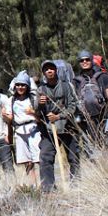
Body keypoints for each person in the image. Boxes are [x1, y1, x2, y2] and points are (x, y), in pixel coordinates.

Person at [36, 61, 80, 192]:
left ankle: (76, 187)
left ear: (56, 70)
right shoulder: (40, 90)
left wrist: (59, 116)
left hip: (68, 127)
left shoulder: (67, 86)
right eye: (46, 69)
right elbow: (37, 112)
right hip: (49, 130)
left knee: (74, 157)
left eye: (51, 69)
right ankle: (48, 189)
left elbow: (73, 106)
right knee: (45, 157)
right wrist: (39, 104)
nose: (49, 71)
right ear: (43, 73)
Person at [72, 49, 108, 147]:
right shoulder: (76, 81)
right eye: (82, 60)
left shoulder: (102, 77)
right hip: (86, 121)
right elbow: (75, 100)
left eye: (87, 59)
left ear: (91, 60)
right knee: (92, 148)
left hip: (104, 118)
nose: (84, 62)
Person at [10, 71, 40, 187]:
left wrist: (33, 113)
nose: (20, 87)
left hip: (33, 129)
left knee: (37, 158)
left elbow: (39, 118)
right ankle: (32, 185)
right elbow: (9, 118)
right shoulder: (12, 100)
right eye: (18, 85)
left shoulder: (32, 99)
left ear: (27, 86)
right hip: (19, 131)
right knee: (26, 161)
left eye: (23, 85)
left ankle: (42, 185)